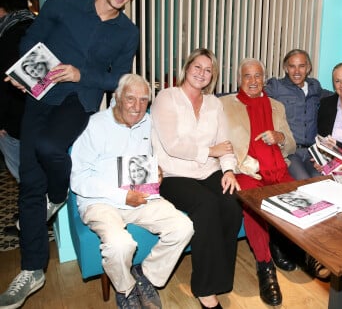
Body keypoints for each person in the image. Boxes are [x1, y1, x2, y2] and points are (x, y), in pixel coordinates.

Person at [0, 0, 145, 309]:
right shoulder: (63, 0)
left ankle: (59, 192)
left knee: (51, 147)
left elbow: (121, 78)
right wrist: (25, 74)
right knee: (30, 183)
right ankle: (32, 270)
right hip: (40, 95)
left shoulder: (128, 32)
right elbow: (30, 39)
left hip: (78, 101)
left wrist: (83, 74)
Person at [69, 74, 193, 309]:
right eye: (130, 99)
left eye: (143, 100)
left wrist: (156, 172)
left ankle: (146, 277)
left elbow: (146, 161)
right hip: (100, 202)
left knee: (183, 227)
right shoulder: (94, 125)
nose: (137, 107)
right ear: (117, 97)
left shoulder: (147, 122)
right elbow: (79, 178)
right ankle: (126, 290)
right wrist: (121, 196)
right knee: (119, 245)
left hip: (139, 195)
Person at [150, 48, 243, 309]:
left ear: (213, 76)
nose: (202, 73)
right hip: (174, 174)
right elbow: (172, 145)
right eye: (197, 67)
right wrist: (210, 151)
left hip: (209, 171)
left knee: (232, 204)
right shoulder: (166, 98)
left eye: (208, 70)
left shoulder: (214, 103)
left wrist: (228, 170)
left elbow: (224, 142)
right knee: (206, 205)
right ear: (187, 67)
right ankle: (204, 289)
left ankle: (220, 280)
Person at [220, 58, 297, 306]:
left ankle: (282, 245)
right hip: (247, 171)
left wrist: (281, 136)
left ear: (264, 78)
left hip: (277, 168)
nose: (252, 81)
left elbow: (292, 145)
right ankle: (265, 267)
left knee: (297, 199)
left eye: (257, 76)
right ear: (239, 79)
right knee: (255, 208)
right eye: (247, 76)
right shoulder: (224, 106)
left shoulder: (277, 106)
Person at [264, 49, 332, 179]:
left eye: (301, 66)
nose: (296, 71)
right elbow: (253, 94)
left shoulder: (314, 86)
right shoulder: (276, 87)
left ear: (308, 68)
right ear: (285, 68)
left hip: (313, 151)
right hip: (290, 151)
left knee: (322, 180)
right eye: (292, 66)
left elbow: (335, 97)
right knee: (303, 181)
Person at [0, 0, 36, 182]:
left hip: (15, 118)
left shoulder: (8, 36)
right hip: (41, 115)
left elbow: (4, 84)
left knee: (23, 173)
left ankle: (34, 208)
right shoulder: (39, 29)